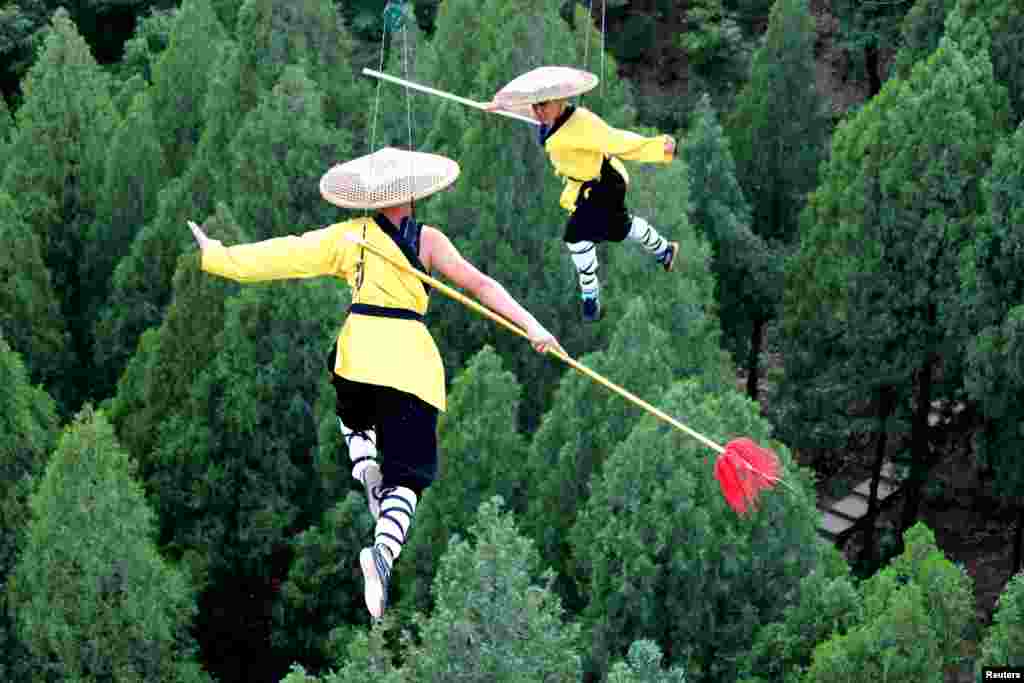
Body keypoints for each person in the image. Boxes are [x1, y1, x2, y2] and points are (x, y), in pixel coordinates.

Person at [187, 147, 562, 620]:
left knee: (351, 406)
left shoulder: (350, 237)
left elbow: (287, 253)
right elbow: (482, 285)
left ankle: (363, 462)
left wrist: (221, 258)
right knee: (410, 472)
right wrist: (532, 326)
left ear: (371, 196)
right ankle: (383, 553)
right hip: (408, 364)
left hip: (359, 356)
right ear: (411, 194)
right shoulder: (429, 241)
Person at [489, 66, 679, 323]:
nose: (537, 111)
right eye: (535, 106)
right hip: (589, 186)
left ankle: (590, 297)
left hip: (604, 183)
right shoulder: (549, 117)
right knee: (620, 229)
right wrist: (505, 107)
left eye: (542, 105)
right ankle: (664, 249)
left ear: (559, 101)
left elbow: (618, 141)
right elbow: (531, 112)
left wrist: (659, 147)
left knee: (575, 235)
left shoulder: (582, 122)